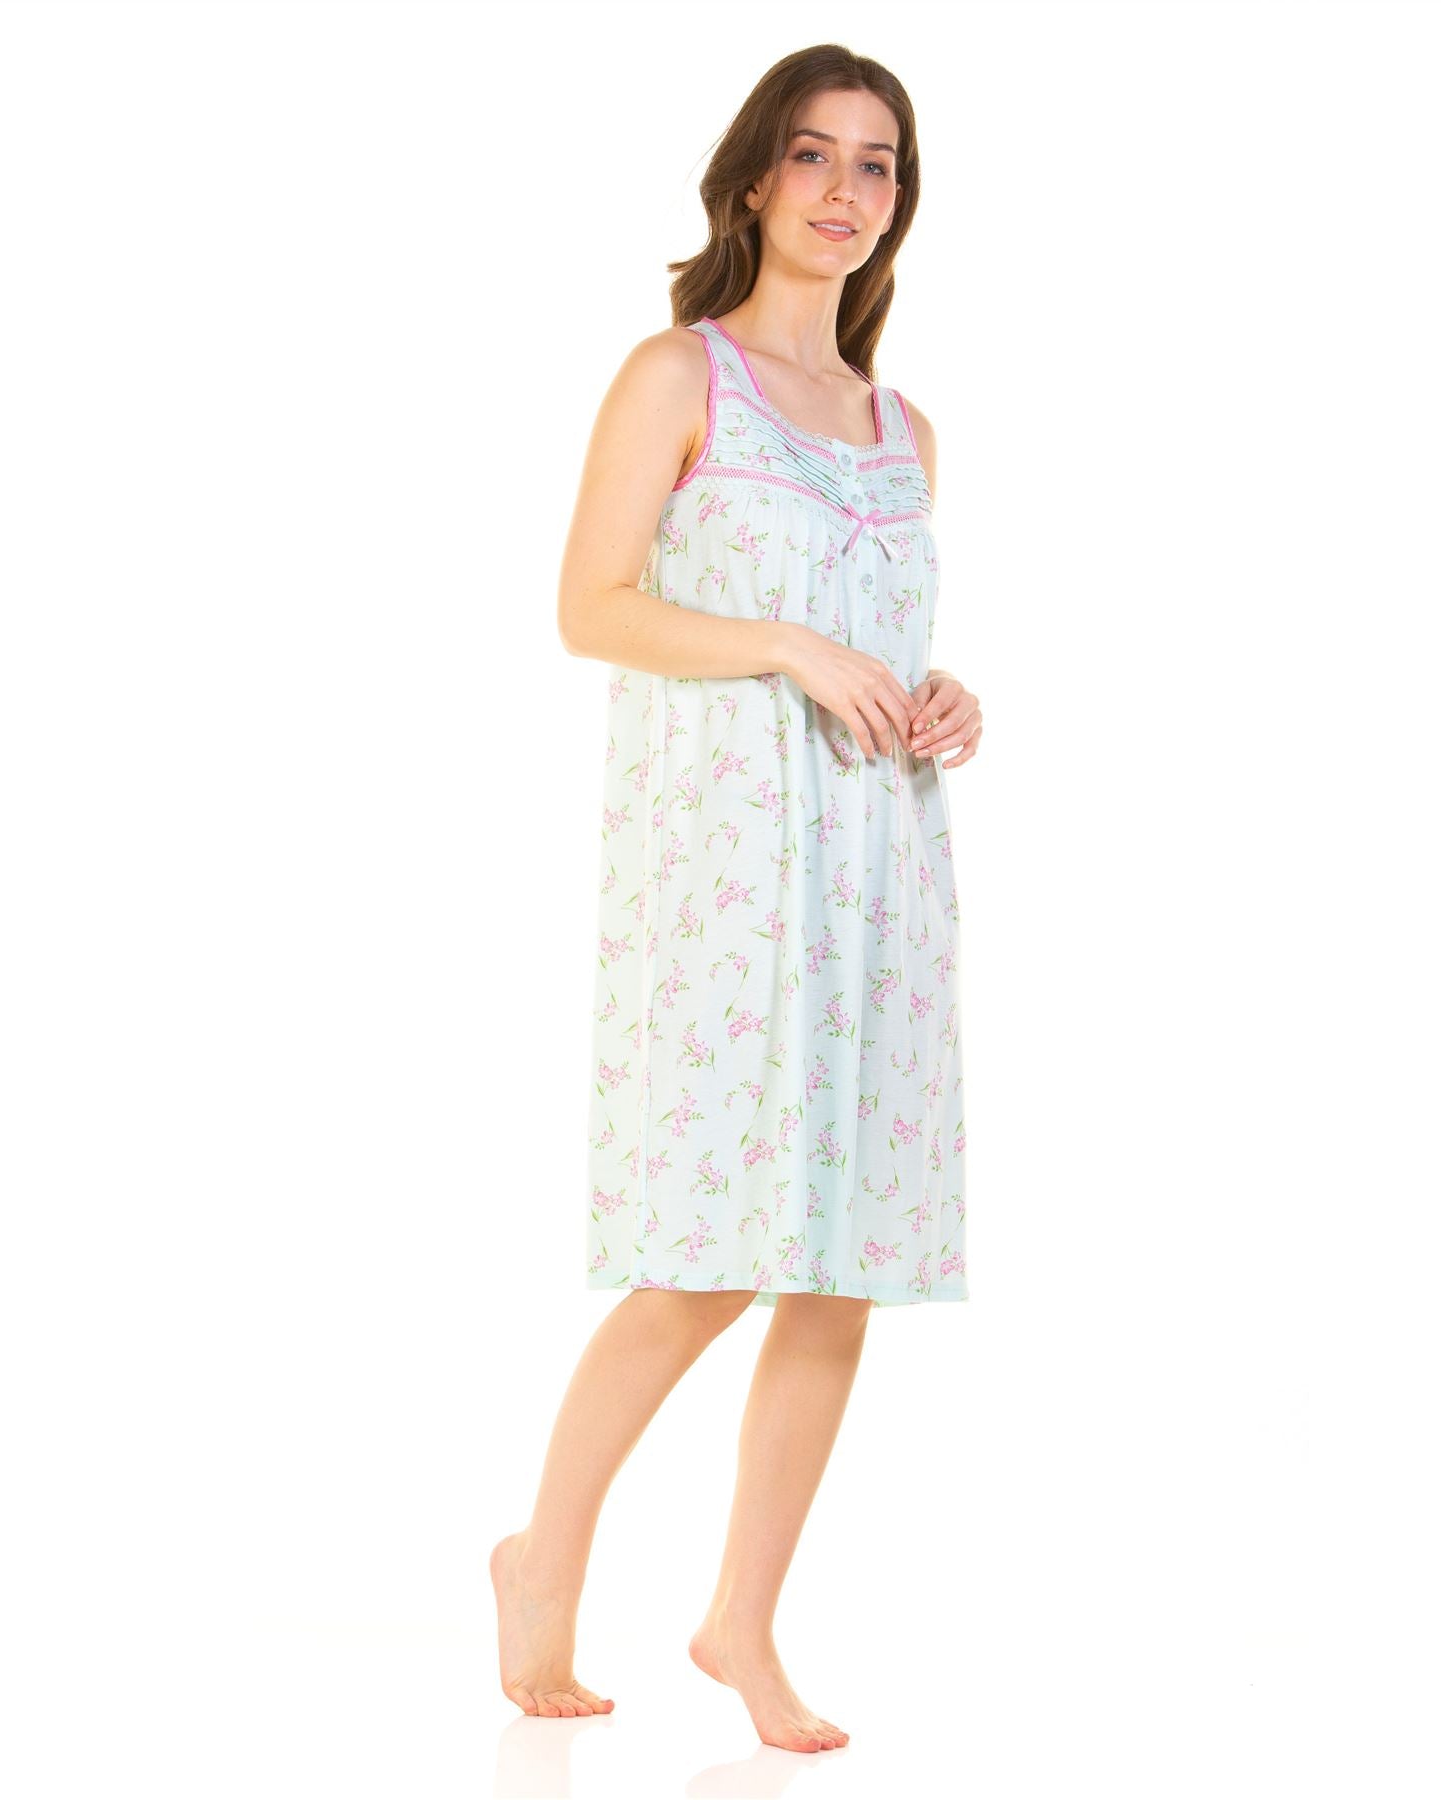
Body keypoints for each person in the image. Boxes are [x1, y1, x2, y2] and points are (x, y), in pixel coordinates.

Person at [491, 45, 982, 1756]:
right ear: (756, 179)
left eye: (878, 164)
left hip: (879, 873)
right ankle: (544, 1560)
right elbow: (592, 607)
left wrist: (941, 695)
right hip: (724, 876)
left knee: (839, 1269)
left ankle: (741, 1624)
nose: (847, 191)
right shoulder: (675, 374)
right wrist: (782, 643)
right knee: (705, 1257)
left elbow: (883, 642)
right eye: (815, 156)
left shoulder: (904, 431)